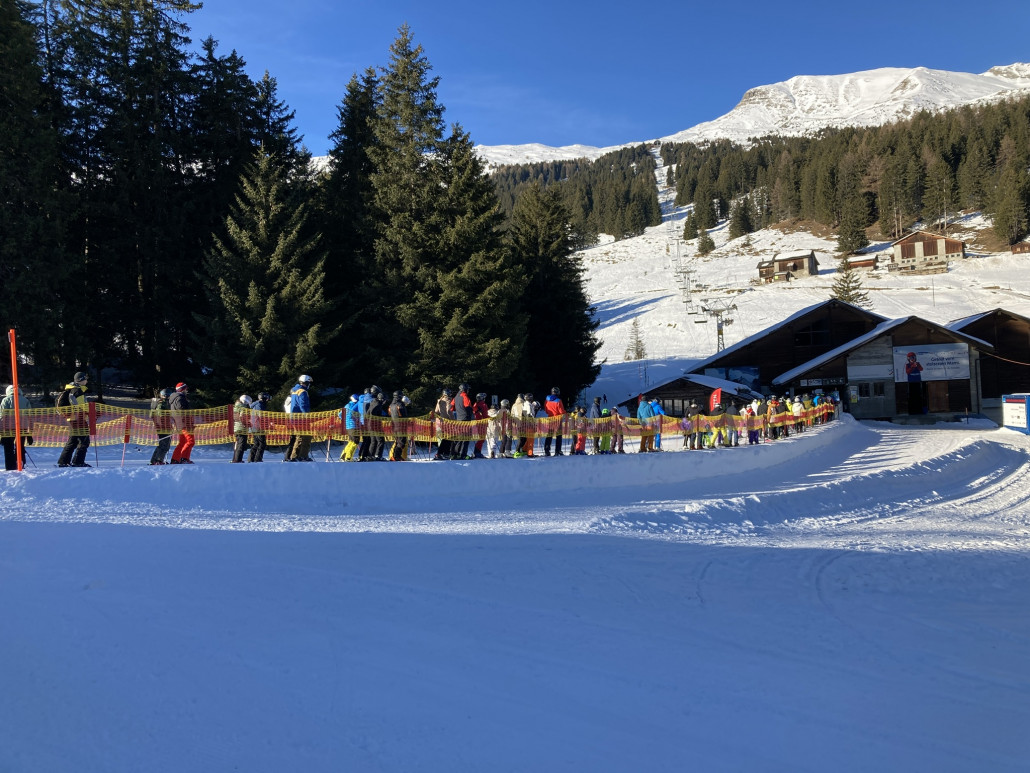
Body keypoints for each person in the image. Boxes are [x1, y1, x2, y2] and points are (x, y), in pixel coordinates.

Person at [57, 372, 92, 467]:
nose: (87, 381)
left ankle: (63, 461)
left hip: (72, 418)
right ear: (81, 380)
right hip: (79, 418)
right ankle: (78, 461)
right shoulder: (78, 391)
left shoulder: (71, 389)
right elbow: (82, 407)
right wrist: (91, 412)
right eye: (85, 379)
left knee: (73, 440)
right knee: (84, 440)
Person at [1, 385, 32, 471]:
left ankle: (10, 467)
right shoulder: (26, 400)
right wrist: (30, 433)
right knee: (20, 447)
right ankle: (21, 465)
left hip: (9, 427)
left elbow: (3, 417)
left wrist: (2, 433)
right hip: (23, 427)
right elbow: (30, 417)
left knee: (8, 449)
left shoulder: (6, 400)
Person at [286, 374, 314, 461]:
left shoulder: (295, 391)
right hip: (301, 418)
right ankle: (302, 456)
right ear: (307, 382)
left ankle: (295, 456)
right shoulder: (302, 392)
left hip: (294, 417)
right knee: (305, 437)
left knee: (299, 437)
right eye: (309, 383)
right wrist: (307, 416)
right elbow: (303, 406)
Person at [168, 381, 195, 464]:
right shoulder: (180, 398)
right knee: (190, 441)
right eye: (186, 389)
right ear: (182, 389)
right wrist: (188, 421)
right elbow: (182, 411)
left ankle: (175, 459)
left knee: (183, 442)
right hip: (184, 424)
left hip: (180, 423)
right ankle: (183, 458)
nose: (187, 390)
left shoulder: (174, 398)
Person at [149, 388, 174, 465]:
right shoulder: (162, 403)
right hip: (163, 426)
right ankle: (158, 460)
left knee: (163, 443)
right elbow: (160, 414)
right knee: (164, 444)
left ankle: (155, 460)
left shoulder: (163, 403)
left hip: (163, 426)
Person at [452, 383, 474, 460]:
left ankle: (455, 454)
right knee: (466, 438)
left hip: (458, 420)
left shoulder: (456, 397)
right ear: (465, 389)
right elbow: (468, 407)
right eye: (467, 389)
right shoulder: (464, 396)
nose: (468, 391)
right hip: (466, 419)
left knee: (459, 438)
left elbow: (451, 408)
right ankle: (463, 454)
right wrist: (471, 413)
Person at [544, 387, 566, 457]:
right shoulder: (558, 401)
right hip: (557, 419)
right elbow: (561, 411)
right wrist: (565, 414)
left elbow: (546, 410)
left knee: (549, 435)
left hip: (550, 418)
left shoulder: (547, 400)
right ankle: (557, 450)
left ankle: (547, 450)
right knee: (558, 435)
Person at [249, 392, 270, 462]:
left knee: (256, 443)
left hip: (255, 425)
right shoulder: (260, 404)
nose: (267, 400)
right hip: (258, 426)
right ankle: (257, 459)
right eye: (267, 398)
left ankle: (251, 459)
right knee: (262, 443)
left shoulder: (257, 404)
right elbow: (261, 415)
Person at [433, 388, 454, 460]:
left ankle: (443, 453)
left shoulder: (439, 401)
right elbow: (449, 410)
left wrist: (437, 418)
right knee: (448, 438)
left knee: (445, 438)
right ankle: (443, 453)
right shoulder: (448, 400)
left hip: (441, 422)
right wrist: (453, 420)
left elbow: (436, 411)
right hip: (447, 422)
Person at [231, 395, 253, 463]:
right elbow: (242, 417)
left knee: (237, 444)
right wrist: (247, 424)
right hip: (242, 429)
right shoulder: (243, 408)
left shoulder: (236, 406)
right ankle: (238, 459)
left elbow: (236, 418)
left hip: (236, 428)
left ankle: (235, 459)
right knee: (241, 444)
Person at [341, 394, 361, 461]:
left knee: (351, 441)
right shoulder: (356, 406)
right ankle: (348, 457)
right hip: (354, 426)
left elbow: (340, 414)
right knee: (355, 441)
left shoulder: (347, 405)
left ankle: (343, 456)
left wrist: (346, 420)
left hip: (348, 426)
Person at [389, 391, 408, 461]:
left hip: (394, 425)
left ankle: (394, 455)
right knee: (402, 441)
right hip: (401, 425)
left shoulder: (391, 405)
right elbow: (404, 415)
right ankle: (396, 456)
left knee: (397, 441)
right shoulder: (400, 404)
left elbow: (389, 413)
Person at [472, 392, 489, 458]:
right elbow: (485, 414)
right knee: (482, 438)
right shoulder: (483, 404)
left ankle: (477, 452)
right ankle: (477, 452)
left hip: (479, 422)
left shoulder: (475, 404)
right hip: (482, 423)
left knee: (481, 438)